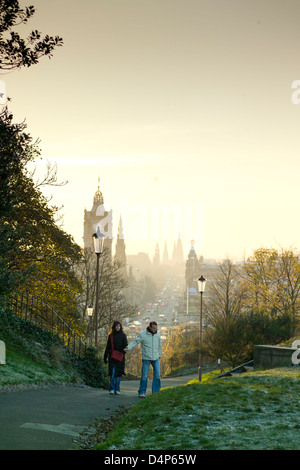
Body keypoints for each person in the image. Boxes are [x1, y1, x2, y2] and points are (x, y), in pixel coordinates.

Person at [124, 321, 162, 398]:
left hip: (156, 358)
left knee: (157, 375)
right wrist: (128, 348)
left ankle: (156, 392)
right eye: (153, 328)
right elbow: (135, 341)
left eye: (156, 328)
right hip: (146, 358)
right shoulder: (143, 334)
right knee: (144, 376)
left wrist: (160, 354)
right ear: (150, 327)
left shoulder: (158, 334)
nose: (155, 330)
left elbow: (159, 345)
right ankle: (142, 392)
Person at [103, 321, 128, 395]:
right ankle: (112, 388)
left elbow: (125, 346)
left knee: (118, 374)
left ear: (120, 327)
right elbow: (108, 347)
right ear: (114, 327)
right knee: (112, 373)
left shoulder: (123, 335)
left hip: (120, 357)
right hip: (112, 357)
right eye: (116, 326)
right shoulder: (111, 336)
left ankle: (117, 388)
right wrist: (105, 356)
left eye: (119, 326)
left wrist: (122, 353)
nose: (118, 327)